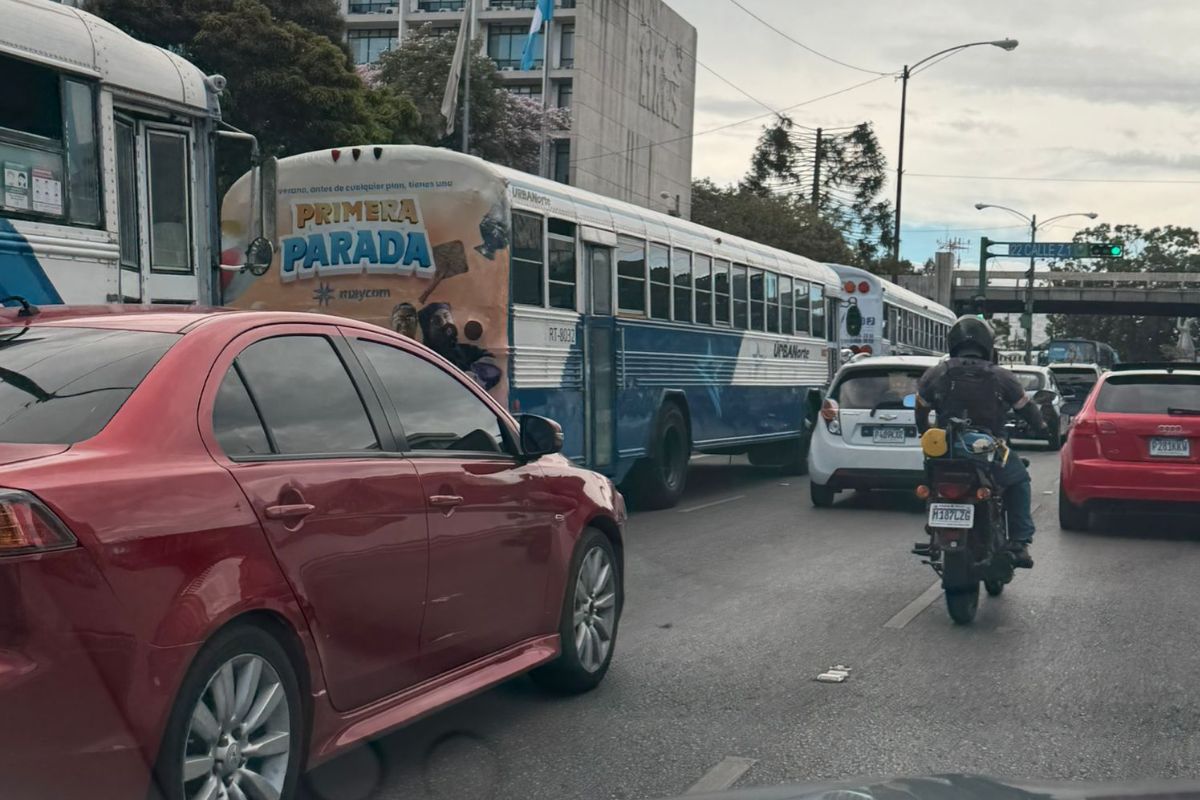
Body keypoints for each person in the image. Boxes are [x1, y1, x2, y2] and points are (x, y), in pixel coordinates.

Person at [914, 316, 1045, 568]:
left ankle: (933, 529)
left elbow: (920, 410)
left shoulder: (936, 373)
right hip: (988, 451)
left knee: (930, 478)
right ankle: (1019, 541)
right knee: (1019, 480)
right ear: (987, 343)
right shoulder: (1001, 376)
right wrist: (1041, 427)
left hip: (946, 449)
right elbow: (1027, 409)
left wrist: (924, 432)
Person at [417, 302, 502, 391]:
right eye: (437, 320)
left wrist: (473, 377)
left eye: (446, 316)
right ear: (428, 329)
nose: (445, 323)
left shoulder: (465, 350)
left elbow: (491, 364)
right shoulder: (424, 357)